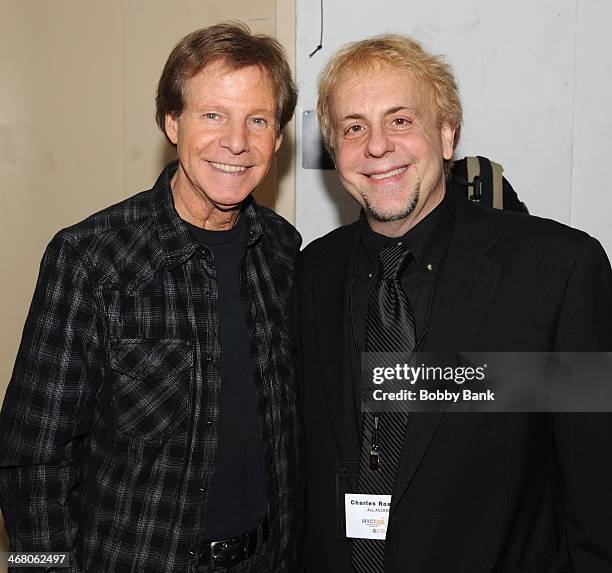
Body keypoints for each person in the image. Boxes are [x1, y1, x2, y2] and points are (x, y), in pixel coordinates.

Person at [297, 34, 612, 572]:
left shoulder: (557, 271)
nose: (377, 147)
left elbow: (597, 485)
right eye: (354, 128)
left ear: (446, 135)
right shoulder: (309, 274)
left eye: (400, 120)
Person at [0, 22, 301, 573]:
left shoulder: (284, 253)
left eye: (257, 120)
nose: (237, 141)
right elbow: (30, 460)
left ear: (277, 138)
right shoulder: (92, 259)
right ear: (171, 122)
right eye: (213, 115)